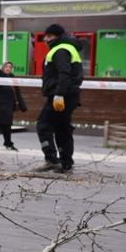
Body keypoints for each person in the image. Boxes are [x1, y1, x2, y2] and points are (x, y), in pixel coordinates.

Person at [36, 23, 84, 173]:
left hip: (61, 95)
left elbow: (64, 74)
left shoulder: (60, 50)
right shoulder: (69, 48)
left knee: (43, 125)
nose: (46, 39)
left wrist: (58, 94)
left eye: (49, 36)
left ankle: (51, 160)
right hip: (70, 95)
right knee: (62, 129)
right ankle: (66, 163)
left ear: (57, 36)